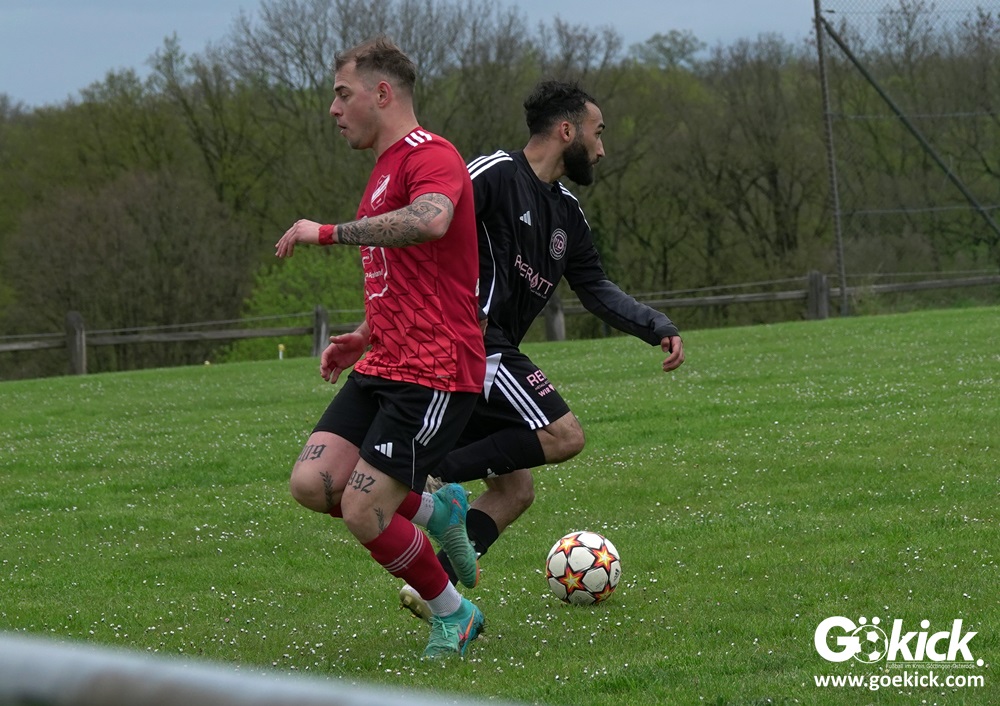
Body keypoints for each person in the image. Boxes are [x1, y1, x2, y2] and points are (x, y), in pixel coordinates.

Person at [396, 79, 686, 621]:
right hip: (466, 341)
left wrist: (655, 325)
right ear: (567, 131)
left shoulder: (567, 214)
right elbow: (426, 225)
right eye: (598, 133)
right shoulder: (494, 174)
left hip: (491, 350)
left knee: (515, 491)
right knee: (564, 435)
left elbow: (595, 288)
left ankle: (432, 589)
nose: (602, 149)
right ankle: (430, 473)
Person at [273, 36, 486, 660]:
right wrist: (365, 334)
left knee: (362, 509)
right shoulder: (382, 168)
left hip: (435, 370)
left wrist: (328, 232)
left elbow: (430, 220)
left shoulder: (431, 153)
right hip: (385, 360)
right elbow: (412, 274)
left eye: (343, 95)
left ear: (383, 93)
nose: (334, 109)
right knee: (313, 484)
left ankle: (454, 614)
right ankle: (438, 511)